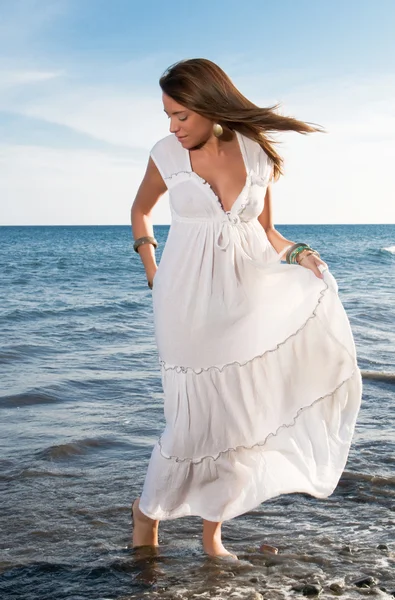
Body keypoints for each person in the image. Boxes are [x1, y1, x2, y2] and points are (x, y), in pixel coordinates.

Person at [130, 58, 362, 559]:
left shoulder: (256, 154)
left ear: (211, 107)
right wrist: (151, 266)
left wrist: (300, 255)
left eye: (181, 116)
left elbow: (267, 232)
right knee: (191, 418)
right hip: (185, 302)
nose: (173, 126)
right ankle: (147, 513)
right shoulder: (166, 154)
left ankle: (212, 533)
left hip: (245, 297)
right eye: (167, 115)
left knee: (237, 417)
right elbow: (140, 209)